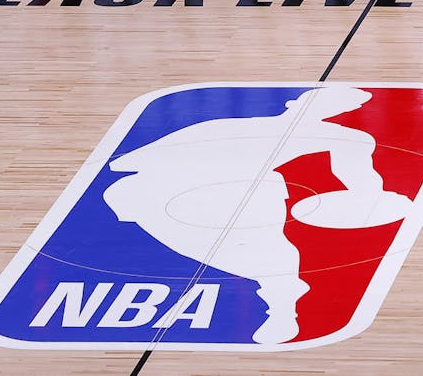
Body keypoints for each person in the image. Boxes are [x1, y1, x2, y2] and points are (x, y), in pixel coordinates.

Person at [102, 86, 387, 343]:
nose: (326, 112)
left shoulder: (344, 137)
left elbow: (359, 176)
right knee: (138, 201)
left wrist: (370, 196)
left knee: (272, 249)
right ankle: (282, 290)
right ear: (293, 104)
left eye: (337, 108)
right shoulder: (220, 128)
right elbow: (129, 164)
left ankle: (282, 306)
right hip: (180, 188)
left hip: (252, 189)